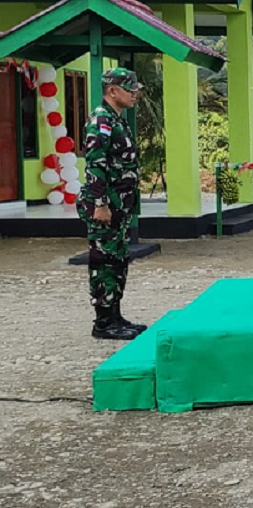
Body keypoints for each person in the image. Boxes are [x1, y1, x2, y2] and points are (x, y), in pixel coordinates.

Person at [79, 68, 145, 340]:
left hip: (121, 204)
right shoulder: (101, 121)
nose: (135, 94)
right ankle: (103, 322)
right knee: (104, 261)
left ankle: (115, 315)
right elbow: (96, 166)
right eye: (130, 89)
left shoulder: (118, 120)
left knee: (117, 259)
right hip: (106, 205)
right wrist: (100, 204)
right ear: (112, 90)